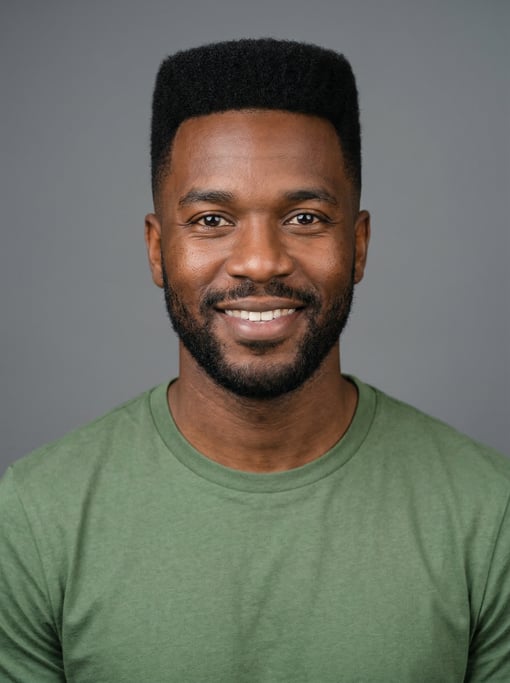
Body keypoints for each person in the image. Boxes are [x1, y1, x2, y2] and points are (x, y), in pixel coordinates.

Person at [0, 38, 508, 683]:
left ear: (358, 245)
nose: (261, 260)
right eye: (212, 219)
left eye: (304, 217)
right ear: (158, 250)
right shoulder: (36, 516)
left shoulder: (489, 515)